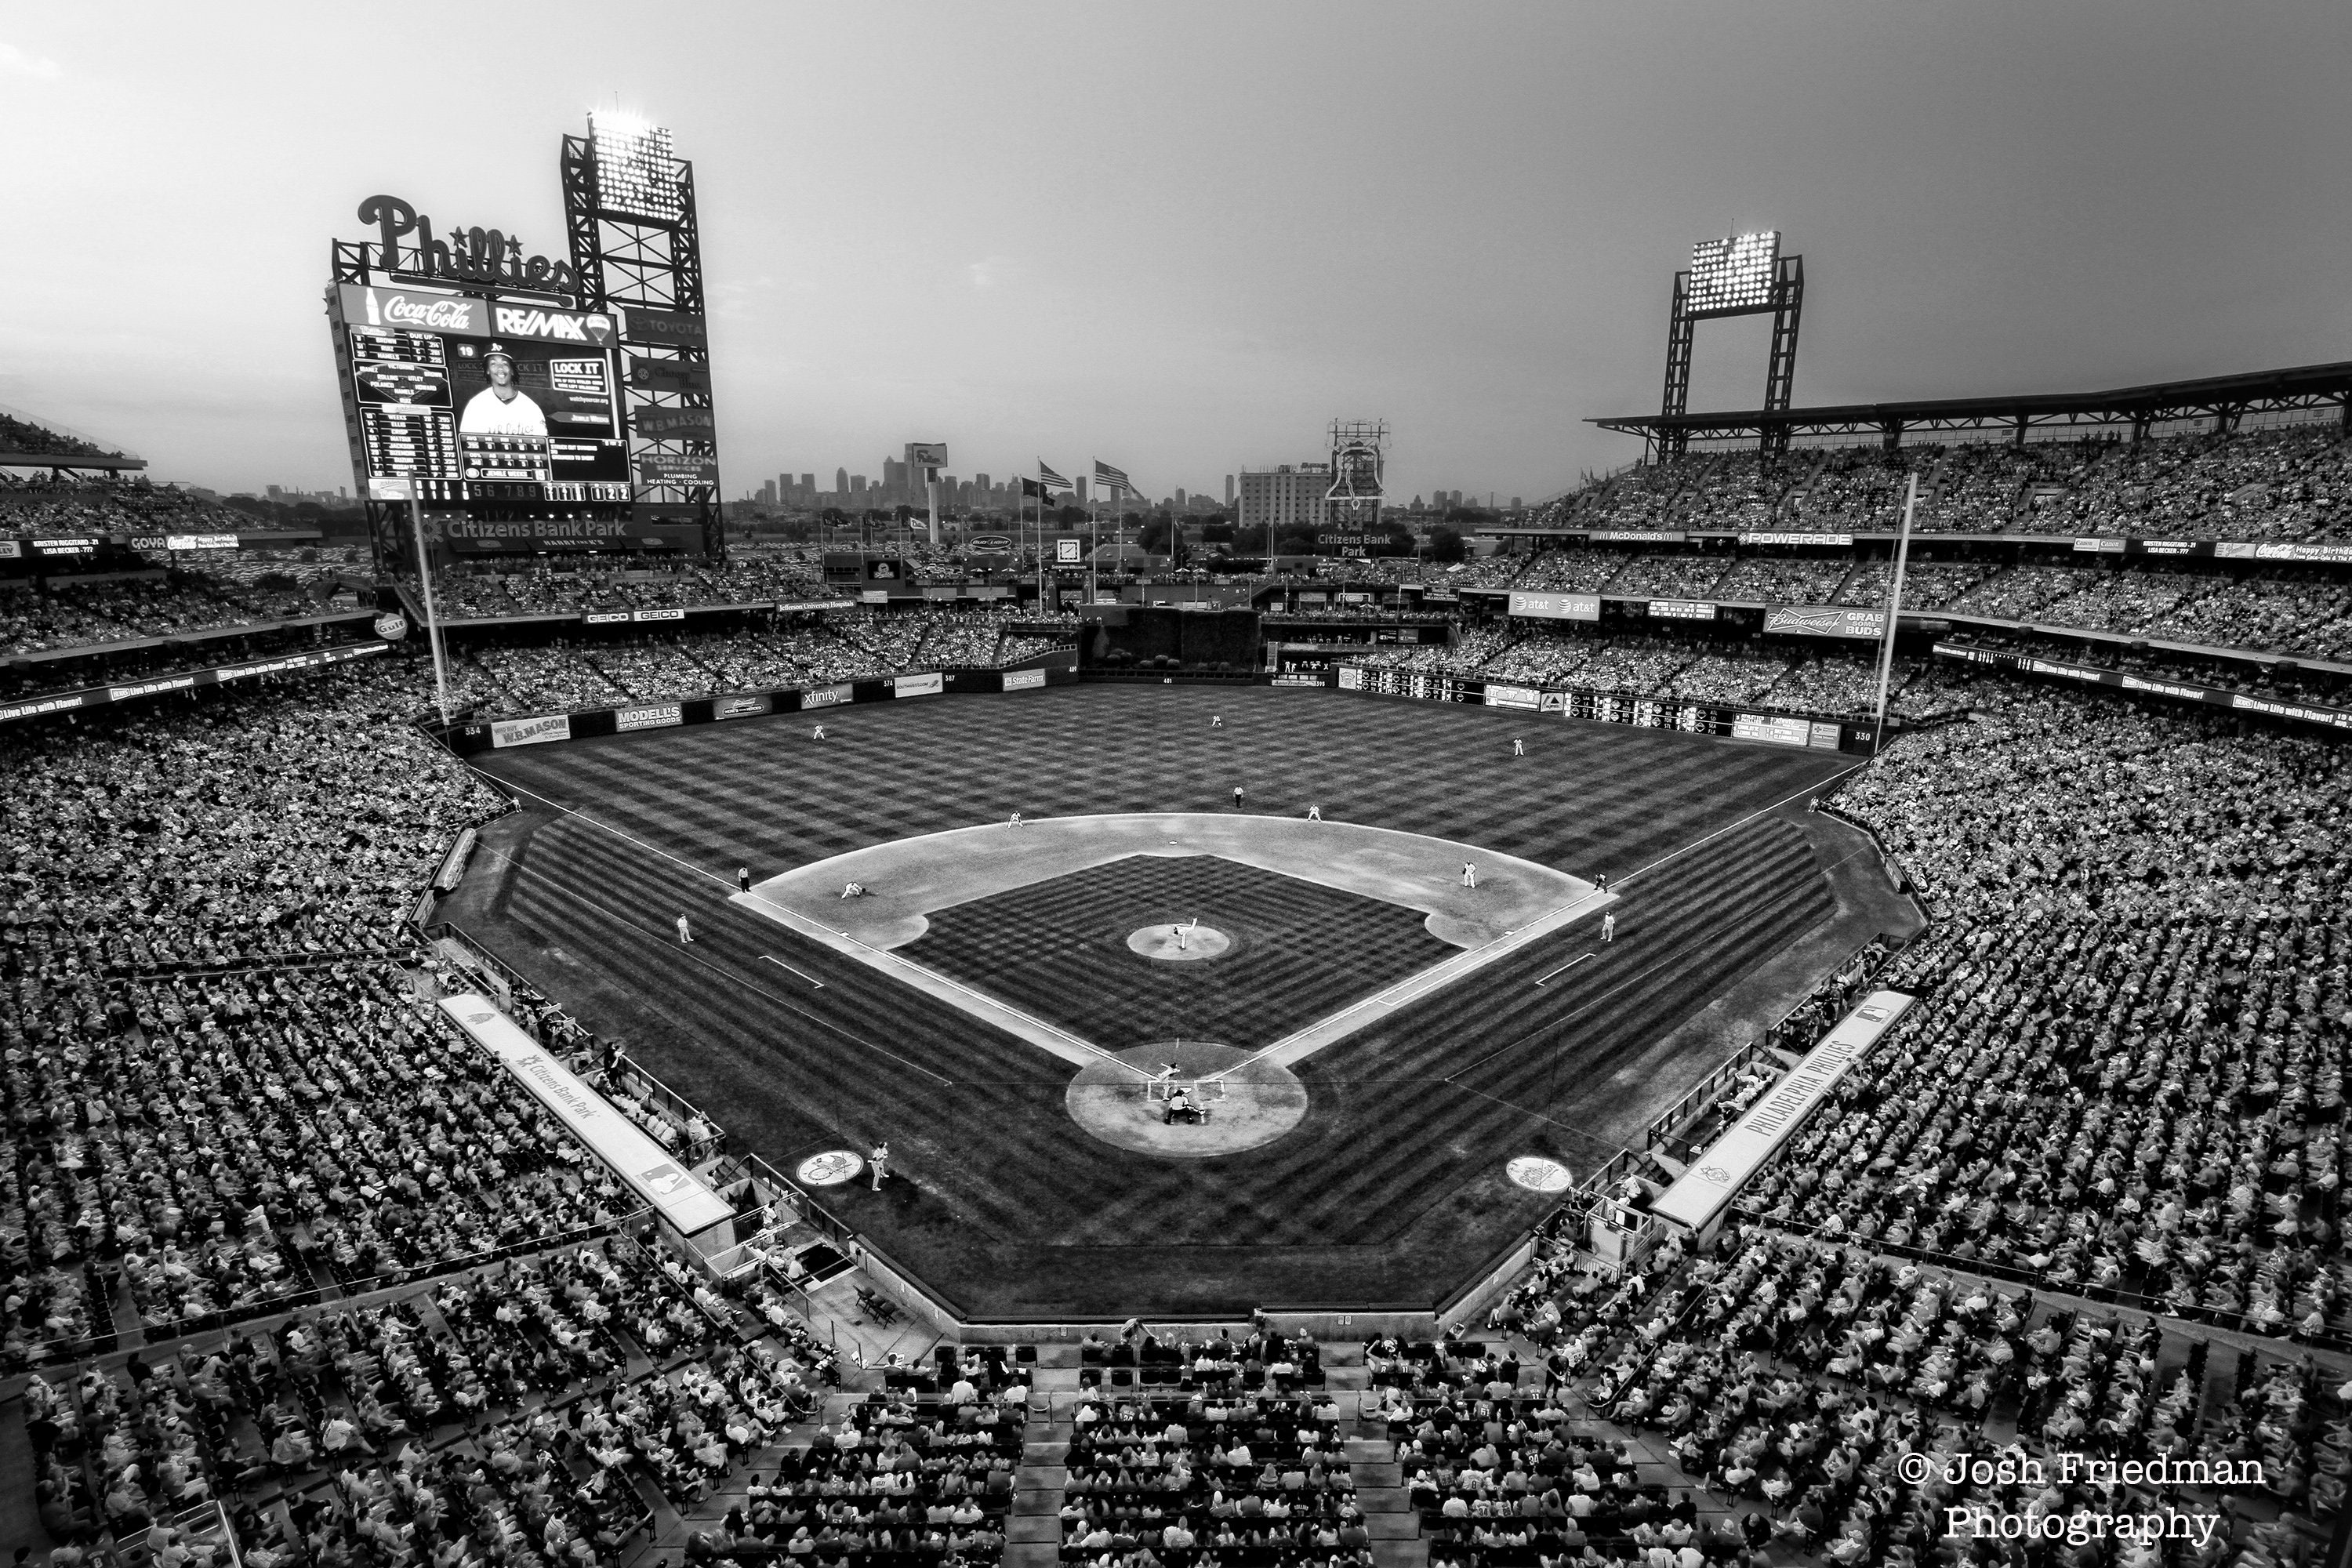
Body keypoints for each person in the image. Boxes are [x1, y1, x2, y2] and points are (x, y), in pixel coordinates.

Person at [457, 348, 549, 437]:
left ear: (512, 370)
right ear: (488, 370)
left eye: (505, 364)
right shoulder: (476, 405)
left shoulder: (532, 409)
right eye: (493, 364)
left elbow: (544, 446)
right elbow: (466, 444)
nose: (500, 368)